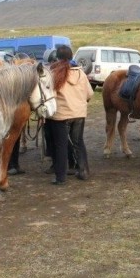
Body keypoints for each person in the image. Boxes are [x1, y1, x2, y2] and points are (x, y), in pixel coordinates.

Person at [48, 45, 94, 185]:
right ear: (72, 56)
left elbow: (50, 95)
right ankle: (84, 171)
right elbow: (90, 94)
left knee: (60, 145)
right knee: (78, 142)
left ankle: (61, 177)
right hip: (79, 114)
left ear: (57, 57)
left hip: (61, 115)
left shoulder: (54, 74)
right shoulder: (80, 73)